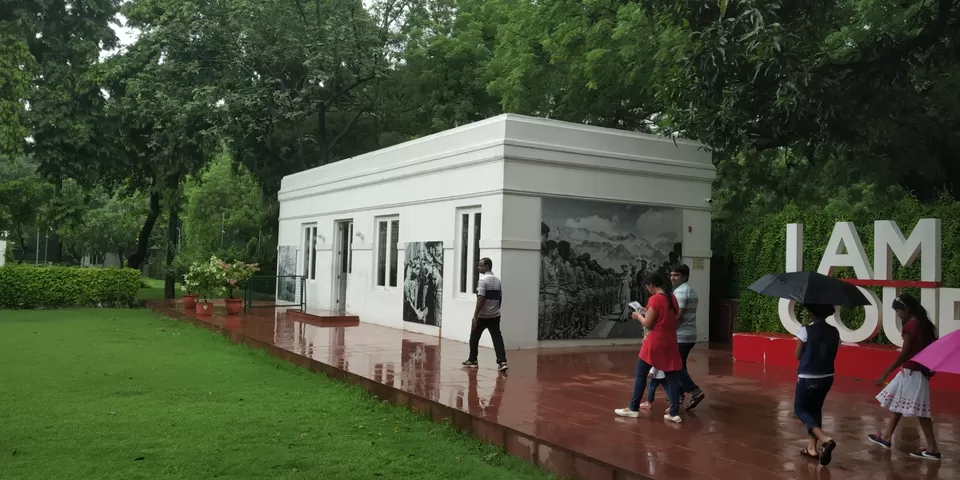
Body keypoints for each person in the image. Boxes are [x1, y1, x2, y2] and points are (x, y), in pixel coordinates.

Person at [868, 294, 941, 460]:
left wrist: (885, 373)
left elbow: (905, 353)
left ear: (906, 309)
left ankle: (933, 449)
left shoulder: (910, 326)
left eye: (899, 311)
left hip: (911, 372)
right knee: (897, 403)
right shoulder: (924, 325)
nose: (898, 314)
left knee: (921, 413)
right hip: (916, 371)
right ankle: (886, 437)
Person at [614, 272, 684, 423]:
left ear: (652, 285)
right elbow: (669, 317)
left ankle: (633, 408)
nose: (647, 289)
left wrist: (638, 316)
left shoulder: (655, 299)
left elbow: (648, 324)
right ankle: (674, 412)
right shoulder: (672, 298)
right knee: (671, 375)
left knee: (641, 374)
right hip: (670, 341)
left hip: (654, 342)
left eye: (647, 286)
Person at [794, 303, 840, 466]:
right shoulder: (834, 331)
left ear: (812, 313)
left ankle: (824, 439)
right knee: (815, 409)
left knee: (800, 409)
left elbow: (797, 355)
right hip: (827, 376)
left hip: (808, 376)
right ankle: (812, 448)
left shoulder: (806, 329)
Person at [670, 265, 706, 410]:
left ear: (684, 277)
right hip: (688, 335)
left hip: (681, 336)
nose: (672, 278)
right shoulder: (689, 290)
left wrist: (667, 328)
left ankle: (695, 391)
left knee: (675, 367)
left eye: (676, 275)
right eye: (671, 275)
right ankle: (679, 394)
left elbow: (679, 315)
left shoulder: (681, 292)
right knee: (681, 365)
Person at [463, 257, 508, 371]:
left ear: (487, 266)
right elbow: (500, 298)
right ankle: (502, 362)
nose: (478, 267)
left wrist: (475, 316)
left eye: (480, 265)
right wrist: (496, 310)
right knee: (497, 338)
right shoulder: (497, 280)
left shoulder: (483, 280)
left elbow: (481, 298)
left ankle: (473, 359)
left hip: (483, 316)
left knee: (474, 337)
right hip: (495, 315)